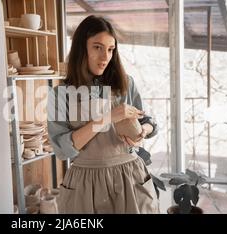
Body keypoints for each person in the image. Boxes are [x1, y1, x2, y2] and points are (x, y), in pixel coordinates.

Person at [47, 15, 159, 214]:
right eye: (97, 47)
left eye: (110, 49)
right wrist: (107, 118)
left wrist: (143, 130)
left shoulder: (126, 83)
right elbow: (62, 149)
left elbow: (147, 120)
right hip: (85, 183)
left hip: (130, 176)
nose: (105, 57)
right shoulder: (61, 94)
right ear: (82, 48)